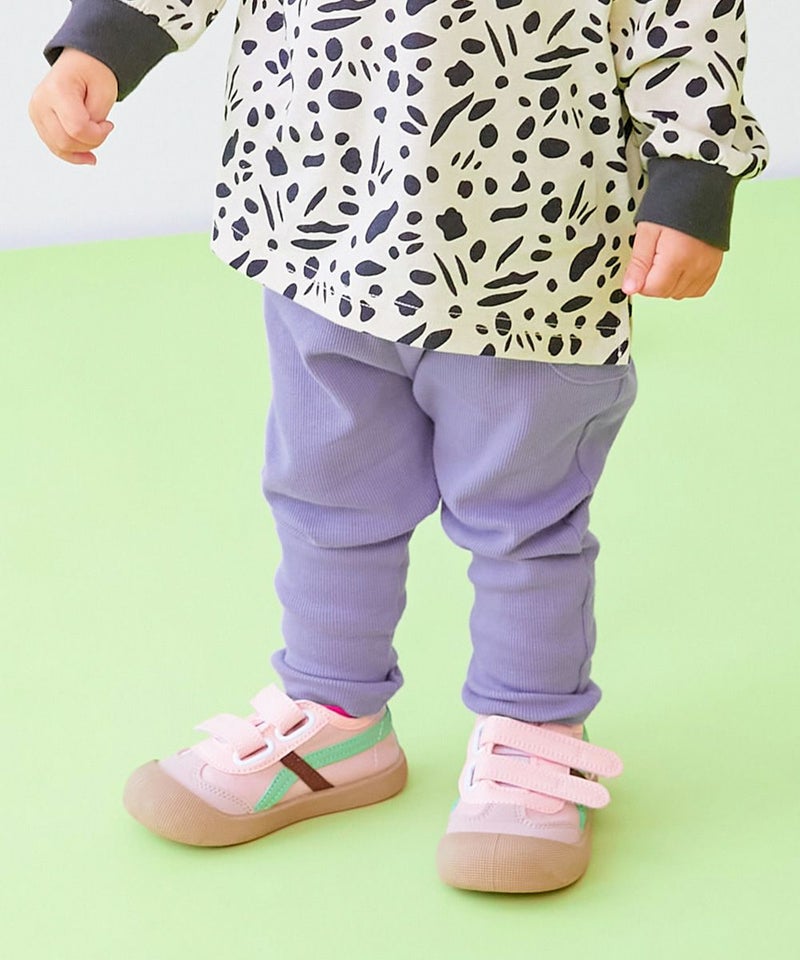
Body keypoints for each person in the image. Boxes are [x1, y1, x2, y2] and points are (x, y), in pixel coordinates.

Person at [29, 0, 767, 893]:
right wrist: (104, 40)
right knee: (325, 493)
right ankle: (334, 716)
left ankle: (532, 733)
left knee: (524, 521)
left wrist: (695, 171)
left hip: (533, 238)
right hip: (319, 211)